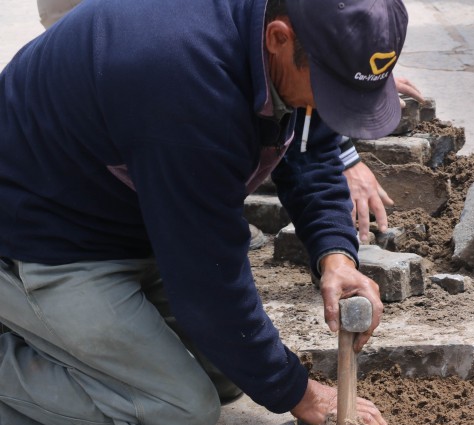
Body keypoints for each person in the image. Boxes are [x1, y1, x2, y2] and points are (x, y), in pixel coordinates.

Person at [0, 0, 407, 425]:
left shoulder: (291, 43)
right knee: (173, 412)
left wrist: (336, 257)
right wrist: (299, 393)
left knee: (227, 376)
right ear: (278, 38)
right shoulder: (183, 80)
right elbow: (206, 278)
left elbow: (310, 149)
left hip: (130, 221)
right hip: (40, 238)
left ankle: (46, 334)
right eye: (330, 90)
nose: (327, 104)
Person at [35, 0, 425, 245]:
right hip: (44, 226)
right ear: (280, 37)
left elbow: (309, 139)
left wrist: (348, 71)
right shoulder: (181, 68)